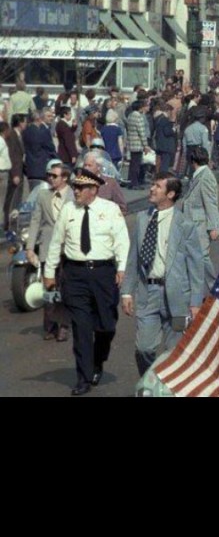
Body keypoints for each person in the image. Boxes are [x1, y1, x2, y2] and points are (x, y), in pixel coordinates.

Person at [43, 168, 130, 396]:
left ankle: (98, 361)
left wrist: (122, 268)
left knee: (106, 326)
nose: (76, 191)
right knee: (81, 328)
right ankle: (83, 377)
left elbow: (122, 241)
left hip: (103, 274)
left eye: (80, 188)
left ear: (94, 189)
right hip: (75, 275)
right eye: (74, 187)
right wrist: (49, 272)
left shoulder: (110, 209)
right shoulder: (68, 209)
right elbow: (56, 242)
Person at [121, 173, 204, 376]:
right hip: (148, 293)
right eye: (152, 185)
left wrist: (195, 302)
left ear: (171, 194)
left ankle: (169, 385)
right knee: (144, 348)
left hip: (177, 297)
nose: (152, 189)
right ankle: (150, 380)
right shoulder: (142, 219)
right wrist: (127, 292)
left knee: (175, 351)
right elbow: (133, 259)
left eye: (158, 186)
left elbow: (196, 266)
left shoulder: (185, 225)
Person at [25, 163, 74, 341]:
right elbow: (35, 221)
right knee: (50, 289)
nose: (50, 178)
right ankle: (50, 325)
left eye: (54, 176)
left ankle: (64, 326)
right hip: (47, 248)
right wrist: (30, 247)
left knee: (66, 288)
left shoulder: (74, 195)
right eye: (49, 175)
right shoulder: (43, 195)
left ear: (65, 178)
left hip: (68, 250)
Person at [178, 146, 219, 292]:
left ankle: (215, 289)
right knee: (195, 257)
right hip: (193, 224)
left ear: (192, 161)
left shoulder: (206, 176)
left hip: (200, 224)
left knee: (202, 257)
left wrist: (213, 227)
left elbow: (211, 203)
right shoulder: (199, 175)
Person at [81, 151, 127, 217]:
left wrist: (111, 219)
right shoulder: (79, 183)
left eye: (89, 165)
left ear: (98, 167)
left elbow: (122, 208)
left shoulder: (111, 183)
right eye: (85, 165)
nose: (86, 168)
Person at [23, 108, 57, 191]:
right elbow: (50, 148)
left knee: (33, 192)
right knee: (40, 193)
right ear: (39, 119)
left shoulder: (25, 131)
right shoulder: (40, 133)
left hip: (30, 167)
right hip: (40, 167)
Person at [4, 114, 27, 231]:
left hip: (20, 171)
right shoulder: (12, 136)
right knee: (12, 199)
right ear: (20, 123)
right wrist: (15, 174)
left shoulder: (19, 135)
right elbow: (12, 156)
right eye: (24, 122)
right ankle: (8, 224)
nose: (26, 124)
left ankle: (12, 223)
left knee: (17, 199)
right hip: (15, 173)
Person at [126, 99, 151, 190]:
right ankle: (135, 183)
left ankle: (131, 182)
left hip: (131, 142)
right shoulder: (139, 117)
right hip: (138, 143)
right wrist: (145, 145)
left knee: (133, 164)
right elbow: (141, 132)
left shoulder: (130, 116)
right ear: (140, 107)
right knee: (137, 165)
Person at [182, 108, 211, 178]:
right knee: (199, 169)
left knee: (191, 167)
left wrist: (185, 152)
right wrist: (208, 155)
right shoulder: (203, 128)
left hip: (189, 149)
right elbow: (205, 143)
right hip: (198, 149)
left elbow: (184, 142)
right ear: (201, 118)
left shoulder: (188, 128)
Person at [153, 104, 177, 174]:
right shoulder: (165, 120)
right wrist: (174, 129)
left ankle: (159, 175)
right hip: (166, 145)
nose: (171, 114)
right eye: (171, 112)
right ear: (168, 111)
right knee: (165, 164)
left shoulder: (158, 118)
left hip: (160, 144)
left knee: (160, 163)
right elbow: (167, 132)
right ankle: (163, 177)